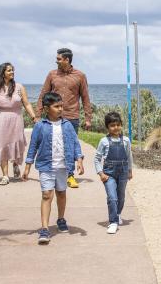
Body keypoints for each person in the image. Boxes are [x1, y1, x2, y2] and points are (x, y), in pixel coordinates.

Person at [23, 92, 85, 245]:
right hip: (46, 166)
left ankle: (61, 218)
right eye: (56, 106)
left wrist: (79, 159)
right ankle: (44, 228)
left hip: (63, 166)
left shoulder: (67, 125)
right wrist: (27, 166)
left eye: (61, 106)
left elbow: (75, 142)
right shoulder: (39, 126)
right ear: (46, 108)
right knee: (46, 195)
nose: (60, 109)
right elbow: (33, 146)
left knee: (61, 194)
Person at [37, 47, 92, 189]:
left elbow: (85, 97)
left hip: (72, 116)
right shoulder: (52, 74)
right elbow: (43, 95)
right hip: (52, 116)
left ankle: (70, 175)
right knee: (53, 144)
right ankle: (52, 172)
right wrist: (38, 115)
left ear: (67, 60)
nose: (56, 61)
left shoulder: (80, 76)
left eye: (59, 59)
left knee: (70, 146)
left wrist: (88, 118)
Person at [0, 62, 38, 185]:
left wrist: (34, 117)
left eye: (12, 70)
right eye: (9, 70)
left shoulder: (19, 87)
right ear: (2, 73)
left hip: (16, 119)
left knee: (16, 143)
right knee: (1, 146)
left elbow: (27, 104)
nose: (12, 72)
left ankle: (15, 164)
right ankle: (5, 176)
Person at [94, 111, 133, 234]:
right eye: (112, 125)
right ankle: (113, 222)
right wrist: (101, 173)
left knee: (121, 196)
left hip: (123, 172)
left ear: (121, 124)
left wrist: (130, 171)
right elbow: (96, 159)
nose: (115, 128)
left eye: (118, 124)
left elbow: (129, 156)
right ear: (107, 127)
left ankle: (118, 214)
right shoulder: (104, 141)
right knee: (112, 197)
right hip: (108, 173)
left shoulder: (126, 140)